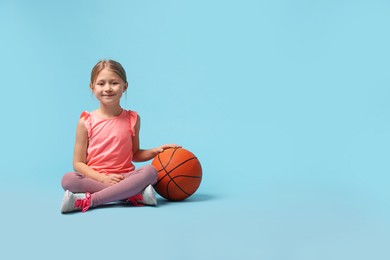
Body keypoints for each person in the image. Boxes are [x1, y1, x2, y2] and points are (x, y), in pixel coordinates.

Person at [60, 59, 180, 213]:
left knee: (151, 172)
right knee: (68, 179)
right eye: (101, 83)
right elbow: (78, 163)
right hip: (96, 178)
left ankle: (90, 200)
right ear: (92, 87)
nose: (108, 88)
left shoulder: (132, 119)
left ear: (125, 86)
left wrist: (156, 151)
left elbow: (135, 154)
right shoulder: (86, 121)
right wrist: (102, 178)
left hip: (126, 177)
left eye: (114, 83)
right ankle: (130, 194)